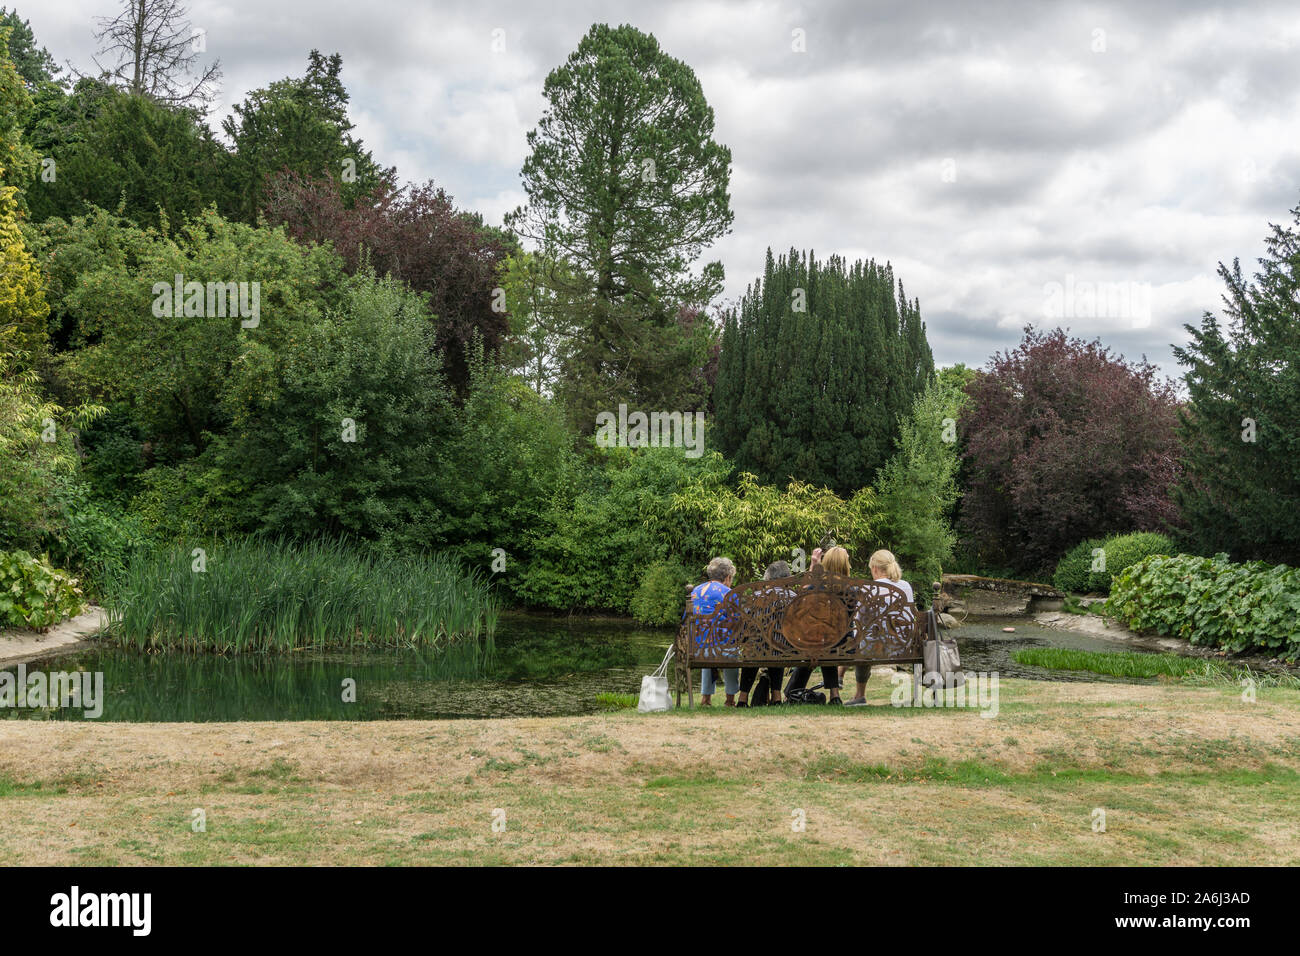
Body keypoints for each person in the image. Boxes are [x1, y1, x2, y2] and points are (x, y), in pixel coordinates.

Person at [841, 549, 915, 707]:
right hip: (904, 646)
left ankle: (859, 695)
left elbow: (858, 622)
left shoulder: (869, 589)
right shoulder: (906, 586)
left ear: (874, 568)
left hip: (874, 649)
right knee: (867, 639)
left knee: (861, 640)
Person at [784, 546, 850, 703]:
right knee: (827, 643)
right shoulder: (851, 589)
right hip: (846, 644)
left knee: (820, 643)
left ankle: (790, 694)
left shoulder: (816, 588)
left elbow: (800, 598)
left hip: (821, 642)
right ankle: (835, 695)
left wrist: (813, 565)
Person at [736, 560, 794, 707]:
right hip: (787, 650)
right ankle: (776, 697)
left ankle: (742, 699)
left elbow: (744, 628)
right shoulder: (794, 597)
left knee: (755, 647)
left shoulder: (756, 596)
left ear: (768, 579)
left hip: (758, 650)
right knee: (778, 646)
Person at [688, 557, 740, 706]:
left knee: (707, 646)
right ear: (727, 577)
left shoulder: (695, 592)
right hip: (722, 651)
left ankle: (706, 699)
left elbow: (687, 619)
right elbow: (737, 621)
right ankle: (730, 700)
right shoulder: (729, 593)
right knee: (731, 650)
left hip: (697, 650)